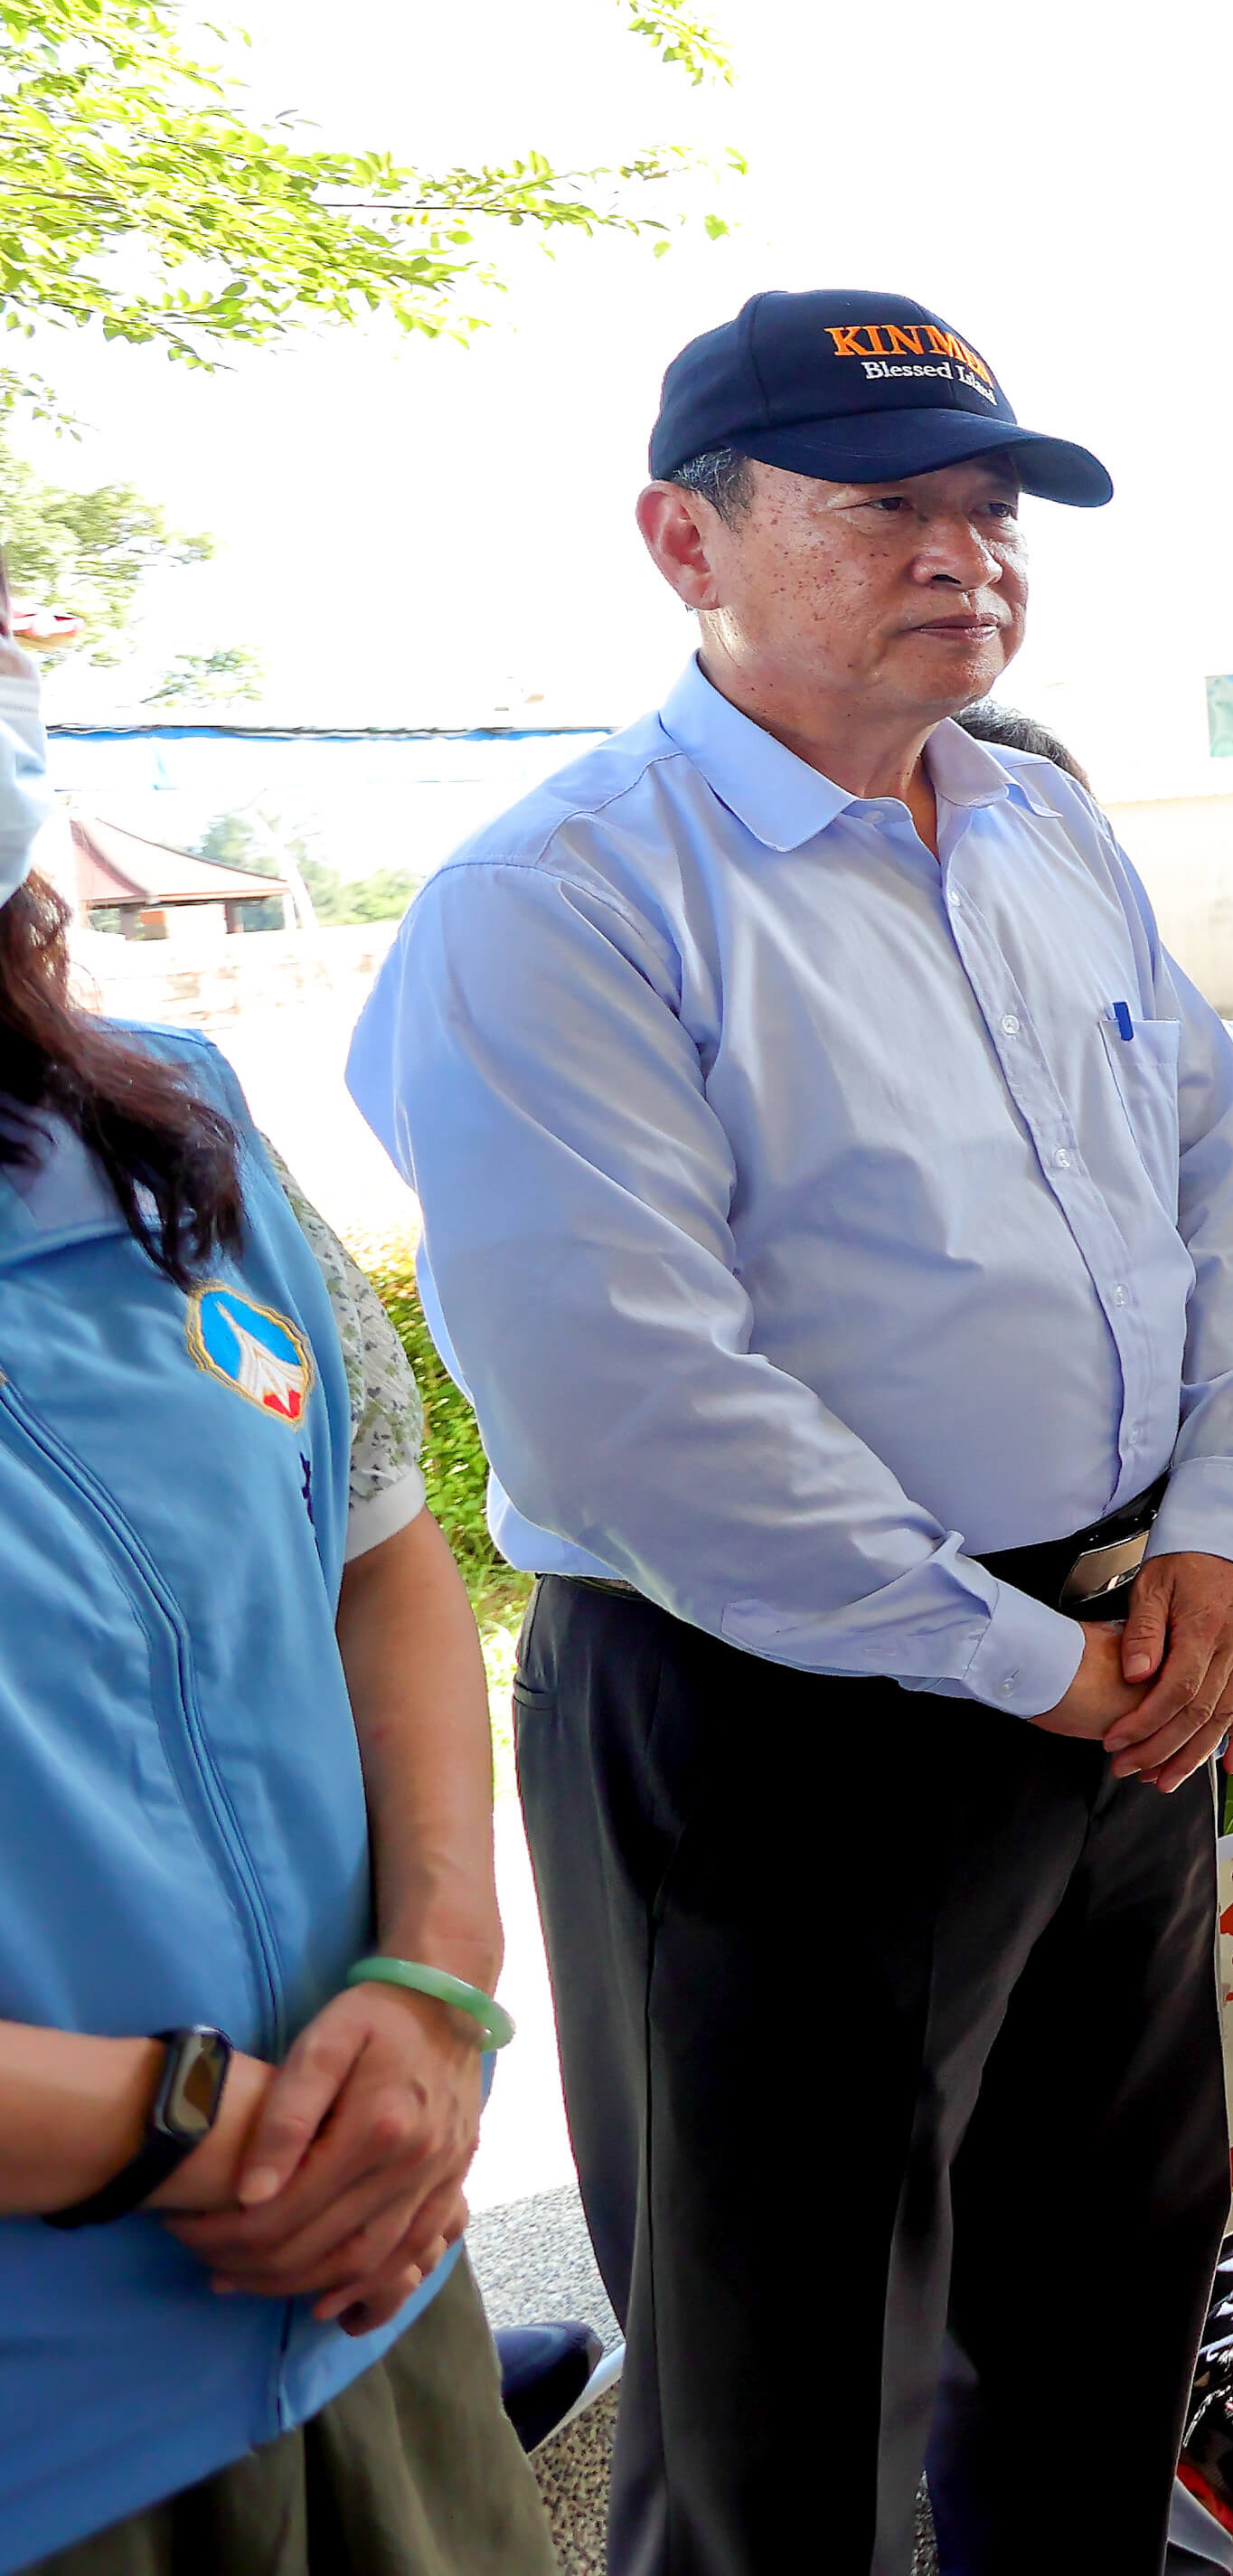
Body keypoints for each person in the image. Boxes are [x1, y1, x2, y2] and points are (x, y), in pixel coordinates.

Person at [352, 293, 1233, 2572]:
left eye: (990, 506)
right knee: (780, 2387)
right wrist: (1043, 1657)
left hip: (1128, 1678)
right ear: (685, 538)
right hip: (775, 1725)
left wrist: (1221, 1532)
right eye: (888, 504)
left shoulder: (1039, 828)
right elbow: (646, 1414)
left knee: (1103, 2283)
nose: (965, 550)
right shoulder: (556, 903)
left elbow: (1212, 1186)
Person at [0, 584, 551, 2575]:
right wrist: (177, 2123)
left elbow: (376, 1545)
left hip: (358, 2304)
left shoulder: (163, 1124)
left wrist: (431, 1980)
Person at [954, 706, 1233, 2552]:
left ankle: (1198, 2357)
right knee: (973, 2083)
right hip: (954, 1670)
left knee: (1199, 2027)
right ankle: (974, 2421)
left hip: (1218, 1630)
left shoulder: (1185, 1062)